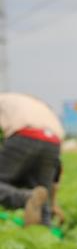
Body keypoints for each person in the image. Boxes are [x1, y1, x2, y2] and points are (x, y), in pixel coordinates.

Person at [0, 93, 65, 226]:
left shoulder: (4, 100)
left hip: (24, 135)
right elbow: (56, 172)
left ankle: (24, 197)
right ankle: (46, 234)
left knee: (8, 185)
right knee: (41, 192)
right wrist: (52, 204)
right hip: (54, 142)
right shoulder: (42, 107)